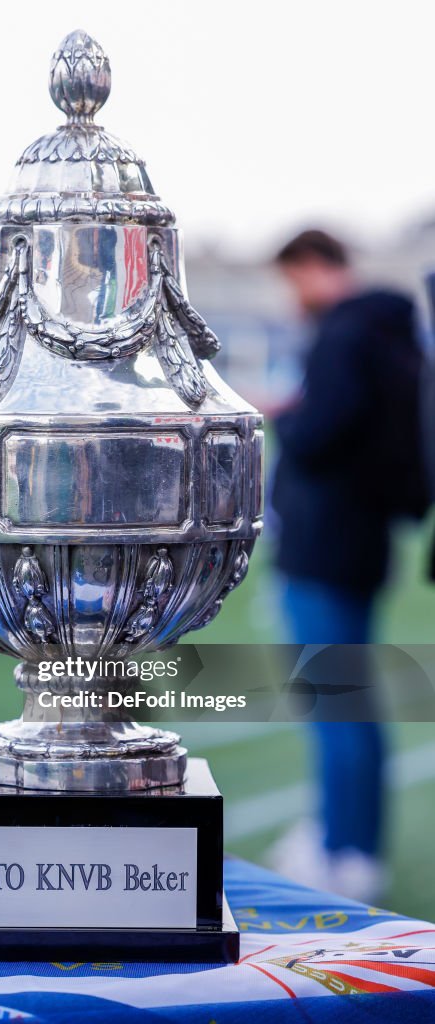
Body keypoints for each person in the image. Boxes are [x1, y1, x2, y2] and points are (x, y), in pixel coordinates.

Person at [268, 229, 429, 902]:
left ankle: (345, 851)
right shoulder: (393, 333)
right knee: (349, 700)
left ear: (309, 267)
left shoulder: (343, 334)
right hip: (365, 539)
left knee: (334, 702)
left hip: (323, 543)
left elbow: (318, 434)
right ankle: (351, 842)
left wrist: (285, 415)